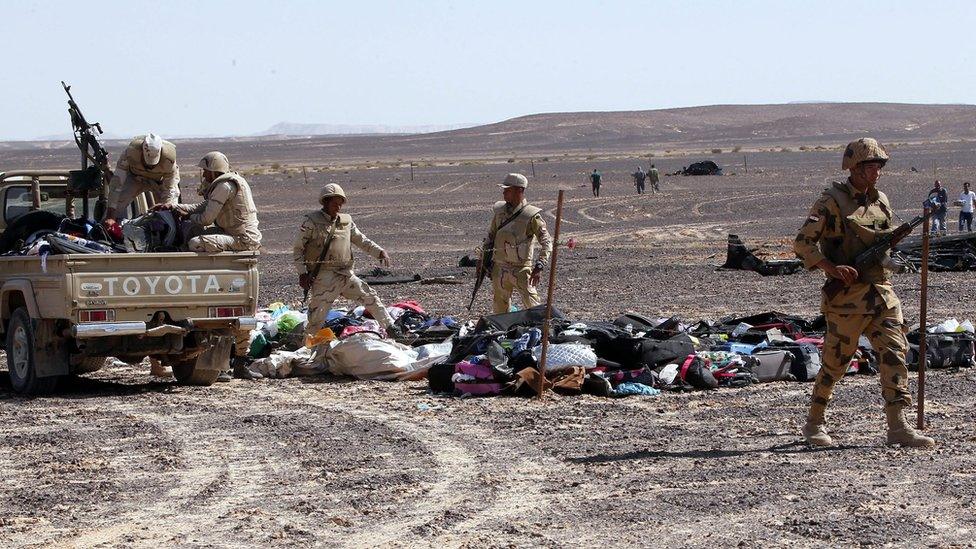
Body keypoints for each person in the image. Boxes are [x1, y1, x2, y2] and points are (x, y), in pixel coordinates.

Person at [793, 137, 934, 448]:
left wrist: (896, 261)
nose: (876, 173)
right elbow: (803, 243)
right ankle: (814, 422)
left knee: (896, 353)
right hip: (846, 300)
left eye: (879, 167)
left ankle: (898, 425)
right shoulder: (830, 202)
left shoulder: (881, 201)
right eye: (871, 166)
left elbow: (882, 248)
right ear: (853, 168)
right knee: (835, 363)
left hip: (881, 294)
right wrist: (831, 269)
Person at [295, 183, 401, 339]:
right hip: (324, 277)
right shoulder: (311, 222)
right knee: (317, 317)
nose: (338, 207)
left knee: (370, 296)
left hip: (345, 274)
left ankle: (392, 329)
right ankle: (306, 347)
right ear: (325, 202)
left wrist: (379, 252)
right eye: (334, 204)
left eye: (340, 204)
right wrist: (302, 273)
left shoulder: (346, 222)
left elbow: (361, 240)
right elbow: (298, 249)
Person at [161, 152, 262, 253]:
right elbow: (201, 206)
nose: (204, 174)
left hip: (243, 240)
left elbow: (206, 220)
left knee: (195, 243)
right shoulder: (226, 184)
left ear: (214, 171)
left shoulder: (224, 187)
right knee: (193, 230)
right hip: (235, 234)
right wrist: (172, 206)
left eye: (206, 170)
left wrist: (188, 216)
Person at [486, 173, 553, 314]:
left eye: (508, 190)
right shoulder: (499, 212)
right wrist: (483, 262)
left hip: (522, 270)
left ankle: (540, 331)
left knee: (534, 307)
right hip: (499, 269)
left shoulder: (531, 215)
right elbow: (490, 238)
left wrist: (540, 265)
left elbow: (546, 242)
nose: (504, 193)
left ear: (519, 190)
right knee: (500, 310)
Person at [104, 133, 180, 229]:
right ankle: (112, 229)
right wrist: (111, 215)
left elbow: (170, 190)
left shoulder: (169, 160)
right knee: (117, 204)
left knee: (170, 212)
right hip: (135, 178)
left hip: (159, 182)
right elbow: (117, 183)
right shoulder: (130, 153)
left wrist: (166, 209)